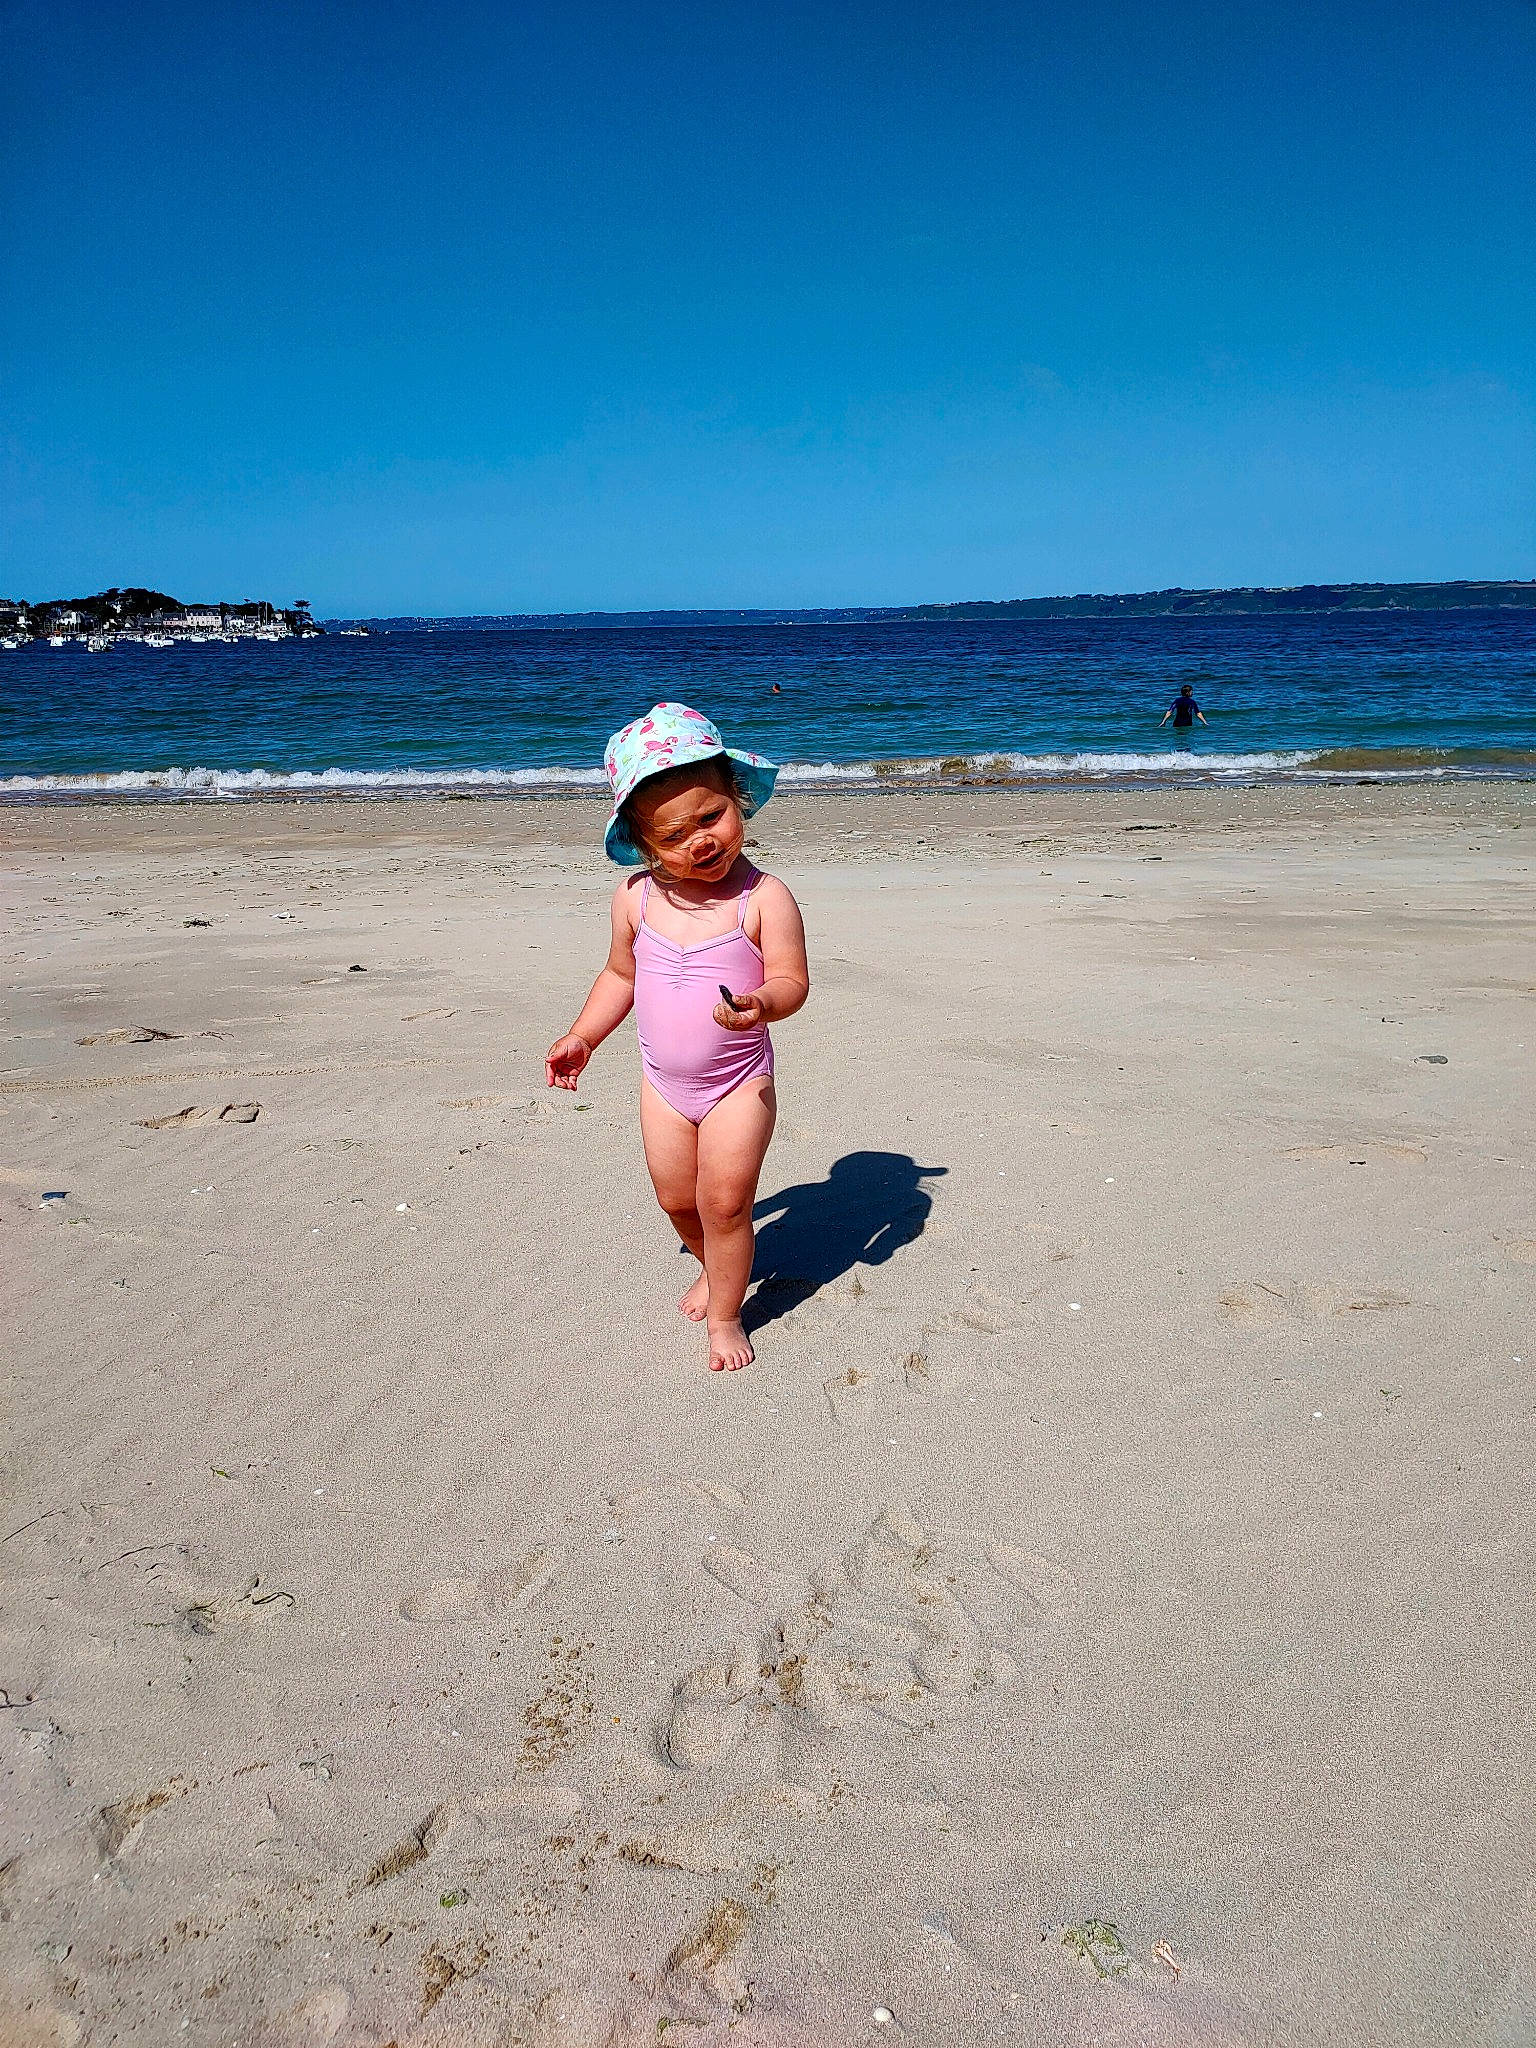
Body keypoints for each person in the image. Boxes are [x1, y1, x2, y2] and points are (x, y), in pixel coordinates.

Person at [545, 703, 810, 1373]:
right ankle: (715, 1263)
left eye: (712, 817)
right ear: (644, 845)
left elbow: (792, 981)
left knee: (725, 1202)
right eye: (674, 834)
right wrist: (583, 1036)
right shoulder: (635, 899)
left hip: (737, 1084)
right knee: (675, 1199)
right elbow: (619, 976)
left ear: (737, 798)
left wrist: (761, 1004)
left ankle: (726, 1312)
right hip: (663, 1085)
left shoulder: (764, 897)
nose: (700, 842)